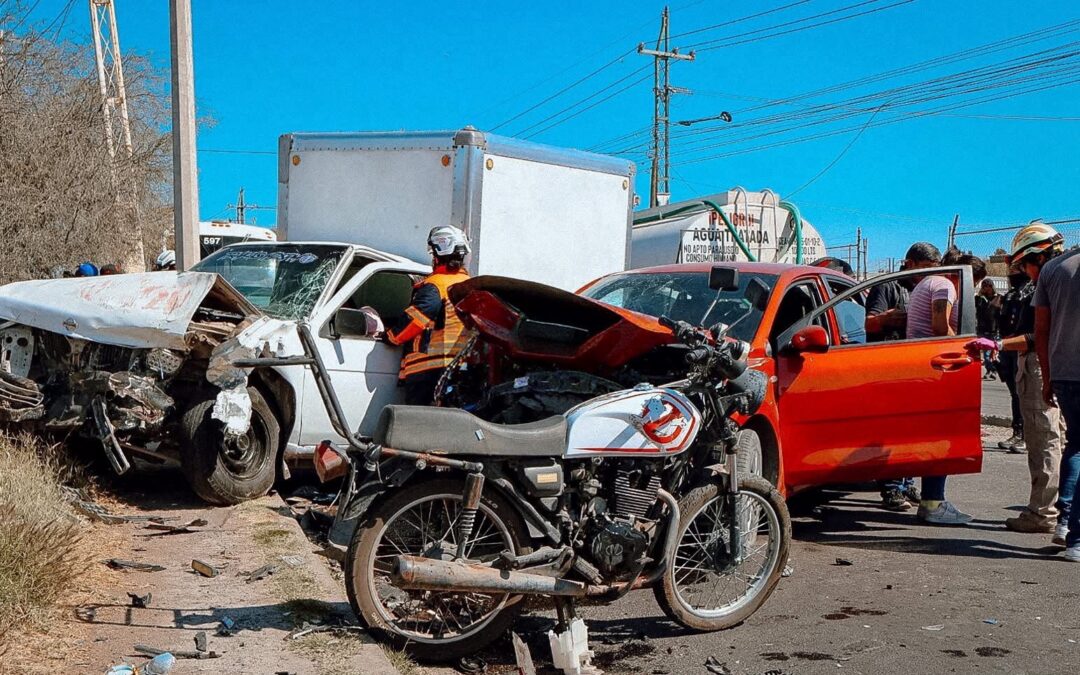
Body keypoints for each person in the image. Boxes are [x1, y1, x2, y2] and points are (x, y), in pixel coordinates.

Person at [970, 224, 1066, 536]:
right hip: (1059, 368)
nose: (1023, 271)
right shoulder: (1064, 281)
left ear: (1037, 257)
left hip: (1040, 368)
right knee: (1062, 441)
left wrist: (999, 344)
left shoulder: (1046, 286)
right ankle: (1063, 511)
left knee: (1045, 440)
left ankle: (1042, 512)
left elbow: (1036, 337)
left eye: (1024, 264)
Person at [904, 249, 985, 525]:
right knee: (940, 439)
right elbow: (940, 327)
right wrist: (966, 350)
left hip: (921, 366)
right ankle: (933, 501)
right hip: (935, 370)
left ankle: (931, 498)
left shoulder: (926, 283)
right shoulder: (945, 285)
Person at [867, 242, 941, 511]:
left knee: (911, 431)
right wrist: (890, 318)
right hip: (889, 366)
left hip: (916, 368)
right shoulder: (888, 286)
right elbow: (869, 323)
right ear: (909, 263)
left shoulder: (924, 288)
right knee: (891, 431)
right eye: (923, 269)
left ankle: (907, 482)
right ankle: (891, 488)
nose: (927, 275)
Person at [1030, 234, 1079, 557]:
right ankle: (1075, 537)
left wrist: (1048, 378)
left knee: (1075, 445)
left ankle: (1065, 522)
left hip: (1064, 372)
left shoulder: (1053, 268)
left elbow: (1041, 331)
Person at [384, 226, 472, 405]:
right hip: (461, 369)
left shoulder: (436, 286)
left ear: (438, 254)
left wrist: (390, 336)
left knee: (420, 425)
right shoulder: (470, 286)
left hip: (429, 371)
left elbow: (415, 321)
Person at [995, 269, 1031, 452]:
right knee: (1014, 393)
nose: (1011, 273)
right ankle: (1017, 432)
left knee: (1022, 394)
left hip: (1020, 347)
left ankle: (1025, 435)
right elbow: (1001, 320)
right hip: (1007, 347)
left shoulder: (1029, 291)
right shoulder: (1009, 295)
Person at [975, 278, 1000, 380]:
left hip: (993, 329)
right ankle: (991, 370)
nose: (986, 288)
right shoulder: (980, 299)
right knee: (986, 354)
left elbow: (1000, 315)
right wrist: (980, 295)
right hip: (982, 329)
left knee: (990, 354)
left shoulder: (998, 298)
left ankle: (992, 370)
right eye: (984, 286)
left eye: (988, 286)